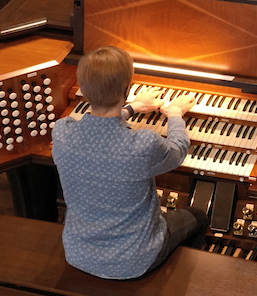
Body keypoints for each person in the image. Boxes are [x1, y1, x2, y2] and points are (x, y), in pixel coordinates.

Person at [52, 45, 208, 279]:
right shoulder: (142, 144)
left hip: (79, 253)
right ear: (127, 89)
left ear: (83, 89)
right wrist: (175, 114)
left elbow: (101, 130)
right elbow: (178, 150)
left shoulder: (62, 132)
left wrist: (131, 109)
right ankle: (177, 277)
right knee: (199, 217)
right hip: (135, 260)